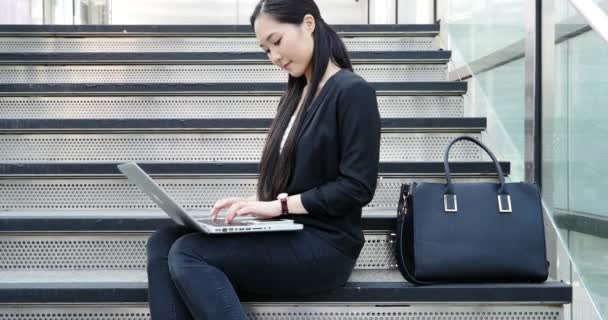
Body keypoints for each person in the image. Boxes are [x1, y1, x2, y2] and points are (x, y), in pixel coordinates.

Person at [145, 0, 381, 318]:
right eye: (265, 50)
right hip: (287, 230)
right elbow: (298, 176)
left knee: (188, 253)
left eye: (277, 41)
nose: (274, 57)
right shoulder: (297, 95)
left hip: (325, 244)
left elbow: (356, 188)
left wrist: (279, 206)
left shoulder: (352, 93)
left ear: (308, 24)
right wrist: (252, 203)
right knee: (163, 242)